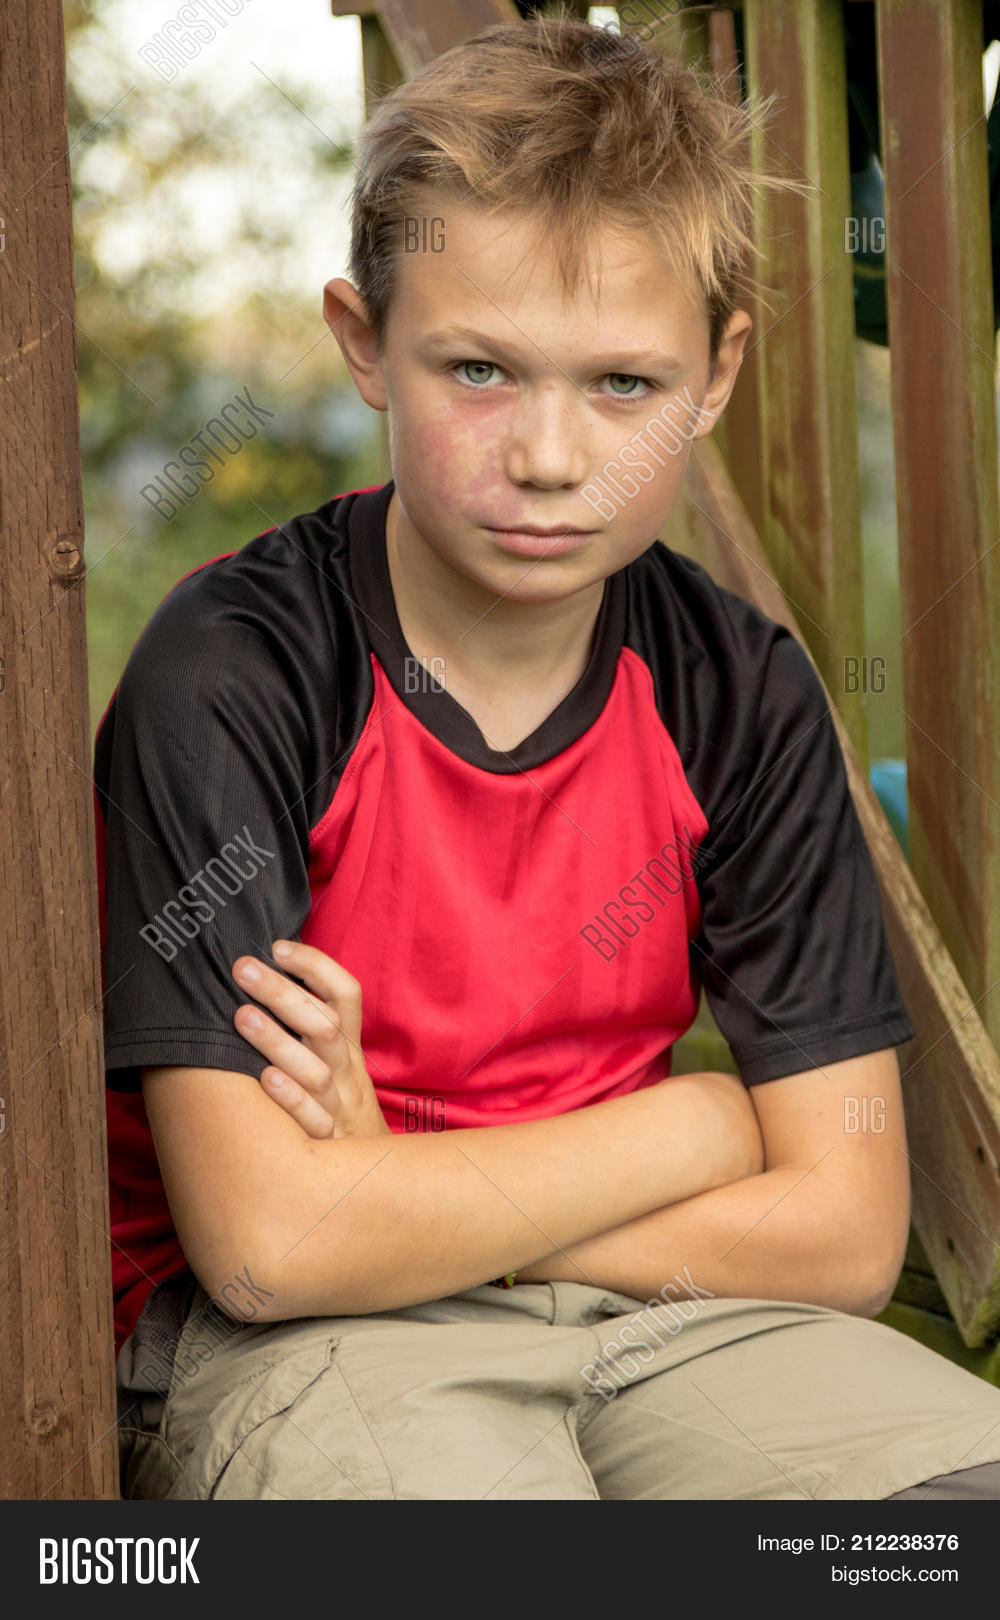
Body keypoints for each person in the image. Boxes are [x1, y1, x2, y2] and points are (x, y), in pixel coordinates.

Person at [102, 8, 1000, 1500]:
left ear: (717, 374)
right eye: (479, 371)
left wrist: (399, 1188)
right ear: (362, 341)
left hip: (664, 1319)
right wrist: (695, 1126)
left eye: (624, 386)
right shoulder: (239, 673)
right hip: (305, 1345)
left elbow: (845, 1234)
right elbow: (272, 1246)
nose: (548, 457)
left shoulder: (739, 691)